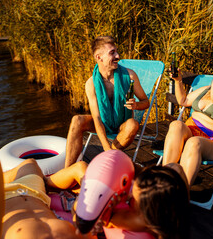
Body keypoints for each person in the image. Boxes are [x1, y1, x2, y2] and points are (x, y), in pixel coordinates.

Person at [162, 55, 213, 187]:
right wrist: (178, 80)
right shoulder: (207, 90)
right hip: (192, 130)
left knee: (193, 142)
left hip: (212, 142)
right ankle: (164, 179)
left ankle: (182, 192)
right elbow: (183, 101)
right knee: (176, 125)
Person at [64, 36, 149, 167]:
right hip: (103, 123)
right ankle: (68, 169)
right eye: (112, 53)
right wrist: (105, 146)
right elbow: (97, 118)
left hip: (123, 124)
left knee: (133, 124)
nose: (117, 56)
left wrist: (136, 105)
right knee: (77, 120)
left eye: (116, 51)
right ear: (99, 57)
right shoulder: (91, 83)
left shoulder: (129, 76)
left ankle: (108, 157)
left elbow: (146, 102)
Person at [95, 163, 190, 239]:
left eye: (133, 199)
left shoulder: (143, 222)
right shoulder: (172, 214)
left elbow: (107, 218)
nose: (130, 195)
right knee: (175, 167)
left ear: (148, 209)